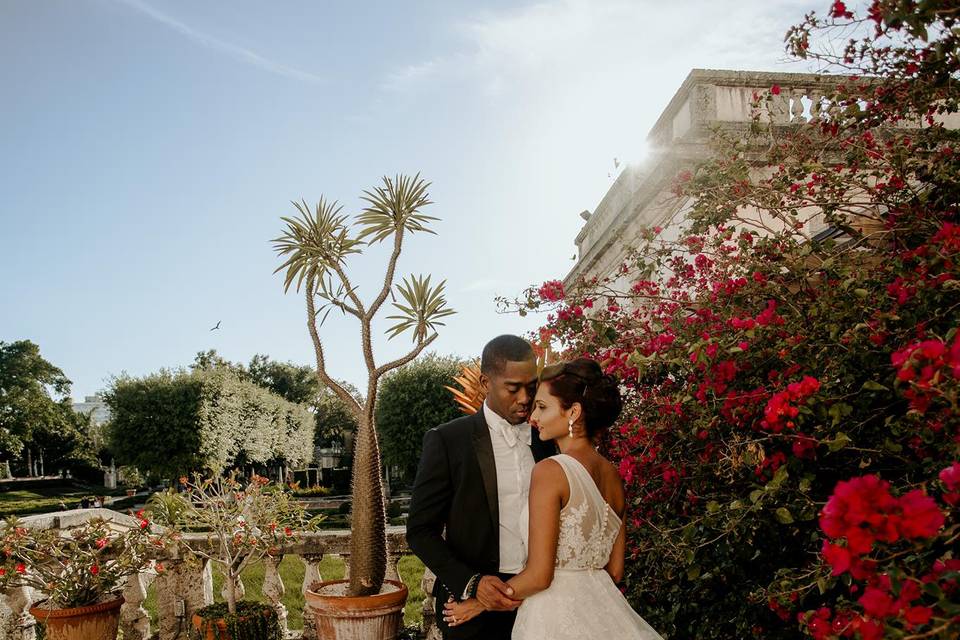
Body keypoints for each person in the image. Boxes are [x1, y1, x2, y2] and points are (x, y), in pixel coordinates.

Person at [443, 358, 664, 639]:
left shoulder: (550, 471)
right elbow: (616, 571)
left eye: (543, 407)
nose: (533, 417)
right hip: (605, 612)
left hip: (552, 619)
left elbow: (539, 576)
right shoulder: (613, 477)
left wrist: (478, 604)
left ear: (573, 412)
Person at [406, 335, 557, 639]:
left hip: (541, 596)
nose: (525, 398)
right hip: (471, 607)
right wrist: (473, 583)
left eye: (531, 386)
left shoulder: (548, 440)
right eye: (513, 388)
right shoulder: (448, 441)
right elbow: (420, 530)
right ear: (486, 383)